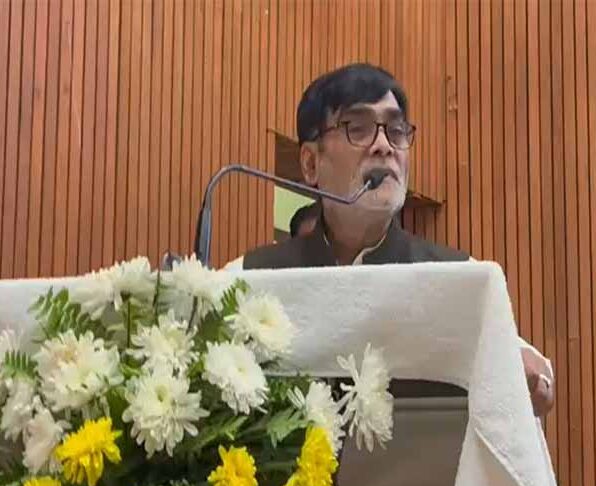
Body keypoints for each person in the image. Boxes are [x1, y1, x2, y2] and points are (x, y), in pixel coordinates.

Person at [226, 63, 553, 416]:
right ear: (310, 164)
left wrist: (534, 378)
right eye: (357, 128)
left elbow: (530, 372)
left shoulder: (459, 277)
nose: (384, 146)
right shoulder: (248, 279)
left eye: (396, 131)